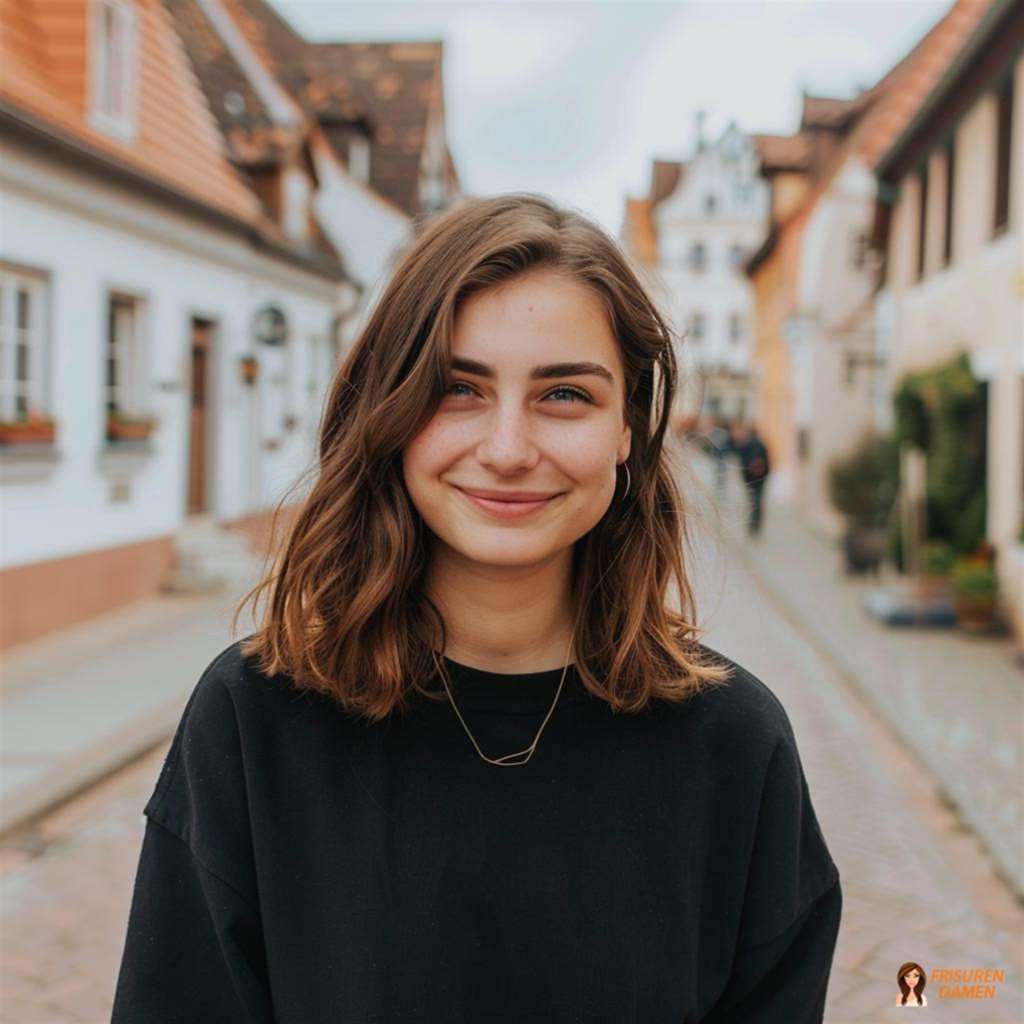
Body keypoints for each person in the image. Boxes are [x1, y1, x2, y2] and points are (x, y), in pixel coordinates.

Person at [112, 194, 841, 1022]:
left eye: (564, 395)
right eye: (459, 388)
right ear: (389, 410)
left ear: (628, 430)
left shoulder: (735, 746)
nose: (506, 449)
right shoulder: (256, 722)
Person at [731, 420, 771, 537]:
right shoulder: (762, 445)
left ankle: (752, 524)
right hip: (761, 478)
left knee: (753, 502)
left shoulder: (746, 445)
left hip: (750, 479)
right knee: (757, 502)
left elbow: (741, 461)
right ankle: (755, 525)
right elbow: (768, 462)